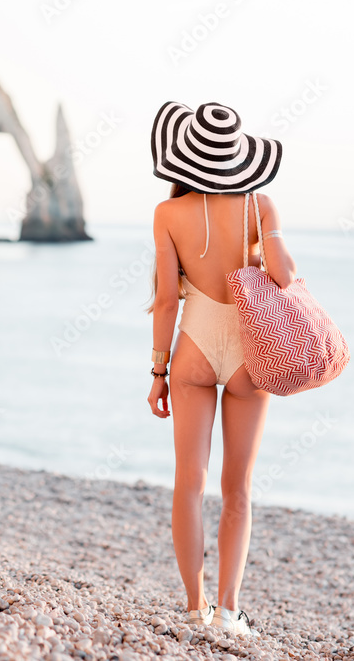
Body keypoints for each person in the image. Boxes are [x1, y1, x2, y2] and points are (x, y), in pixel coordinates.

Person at [145, 101, 297, 637]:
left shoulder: (168, 215)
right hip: (248, 355)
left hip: (192, 349)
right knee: (239, 487)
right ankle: (229, 613)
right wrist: (266, 235)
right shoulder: (261, 205)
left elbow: (166, 301)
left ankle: (194, 607)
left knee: (190, 480)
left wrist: (159, 373)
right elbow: (283, 276)